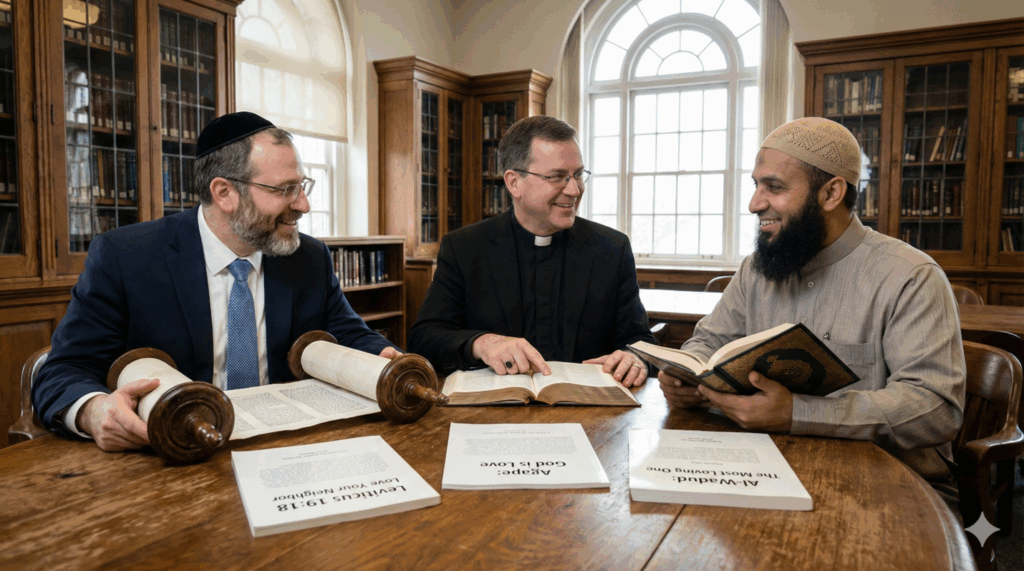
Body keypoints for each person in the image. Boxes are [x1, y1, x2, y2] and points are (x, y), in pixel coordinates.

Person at [33, 111, 398, 452]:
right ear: (224, 193)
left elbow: (349, 334)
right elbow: (64, 370)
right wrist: (94, 410)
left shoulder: (309, 257)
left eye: (302, 186)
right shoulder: (126, 257)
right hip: (174, 452)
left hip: (286, 445)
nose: (303, 205)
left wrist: (385, 359)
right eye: (285, 189)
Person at [659, 116, 966, 502]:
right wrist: (686, 377)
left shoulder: (910, 275)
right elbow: (708, 343)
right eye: (756, 186)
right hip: (766, 467)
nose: (755, 204)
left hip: (888, 486)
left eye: (774, 187)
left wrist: (798, 412)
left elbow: (935, 408)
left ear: (831, 193)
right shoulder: (756, 269)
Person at [408, 116, 655, 385]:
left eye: (578, 175)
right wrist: (481, 343)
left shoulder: (612, 249)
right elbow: (424, 338)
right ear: (514, 182)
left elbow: (640, 341)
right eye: (557, 177)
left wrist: (635, 359)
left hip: (589, 405)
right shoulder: (465, 248)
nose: (574, 190)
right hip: (495, 405)